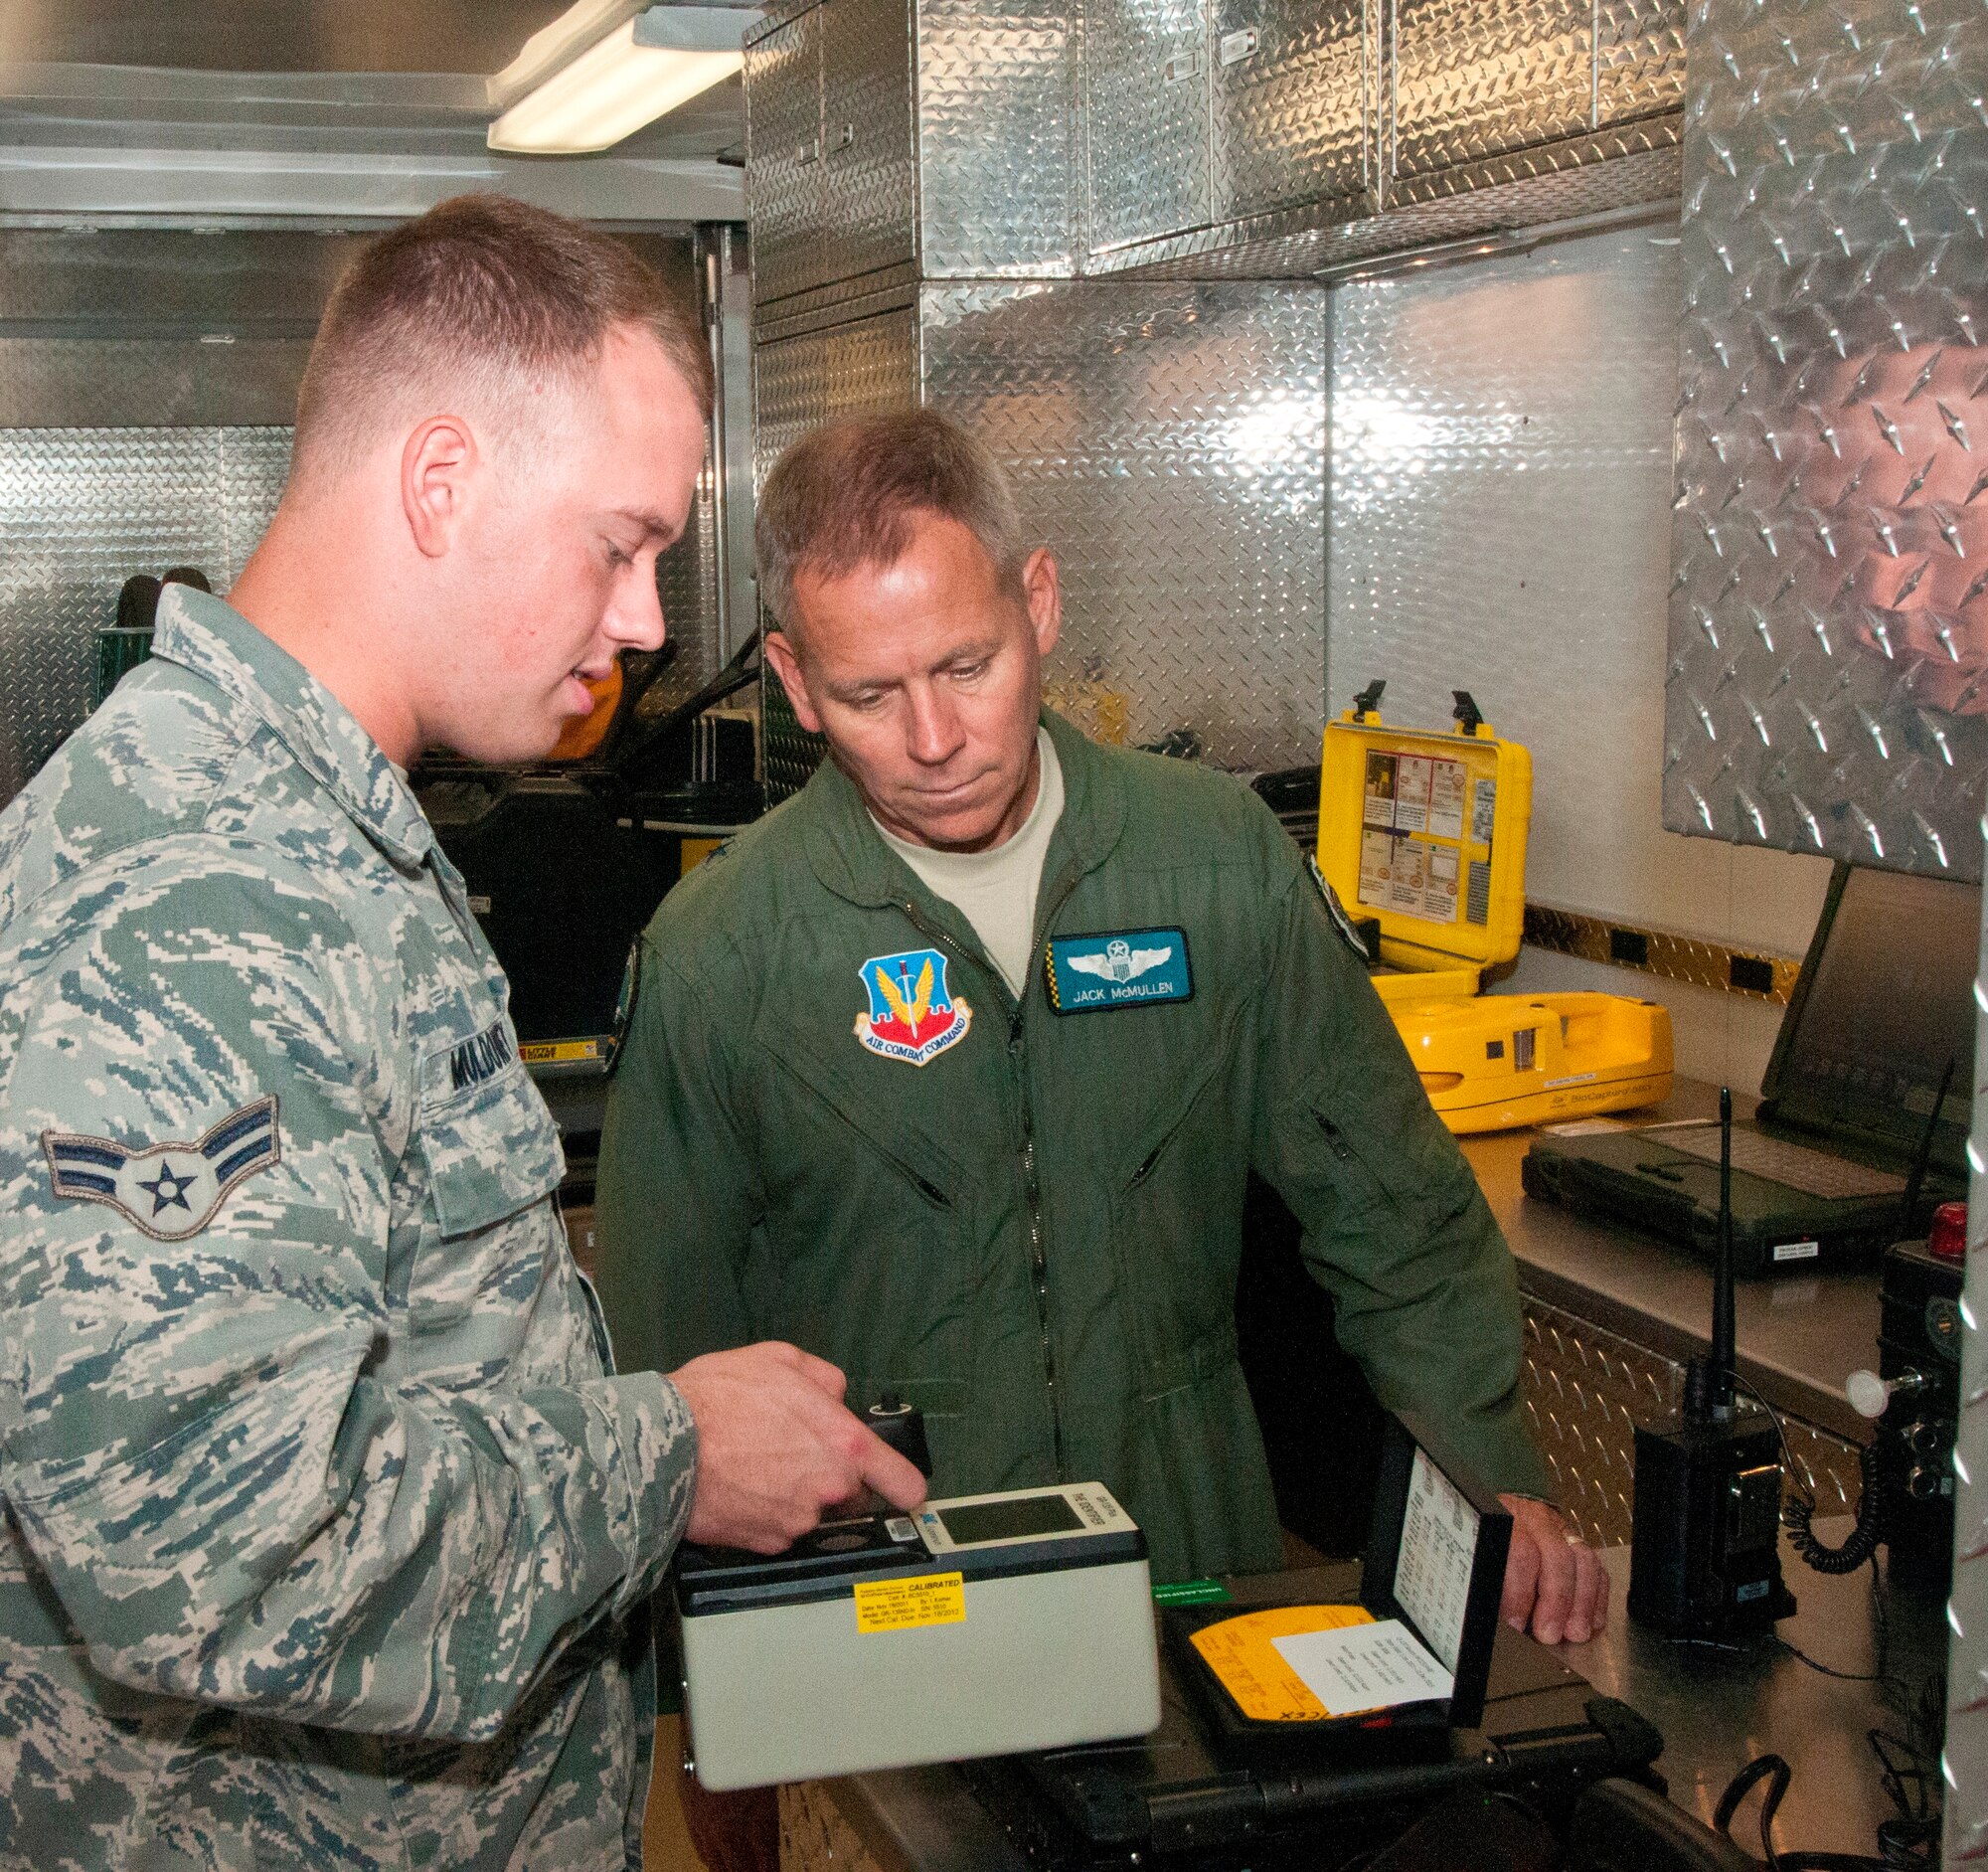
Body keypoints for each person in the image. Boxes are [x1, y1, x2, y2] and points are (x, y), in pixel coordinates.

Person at [0, 196, 922, 1872]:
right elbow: (222, 1556)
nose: (647, 621)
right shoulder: (201, 904)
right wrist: (670, 1455)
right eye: (621, 543)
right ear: (441, 483)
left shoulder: (307, 838)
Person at [594, 411, 1606, 1855]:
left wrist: (1496, 1469)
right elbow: (668, 1367)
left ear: (1041, 603)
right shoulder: (724, 956)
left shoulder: (1212, 864)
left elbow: (1394, 1207)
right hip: (889, 1605)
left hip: (1193, 1566)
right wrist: (712, 1705)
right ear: (793, 686)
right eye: (872, 693)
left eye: (968, 666)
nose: (936, 739)